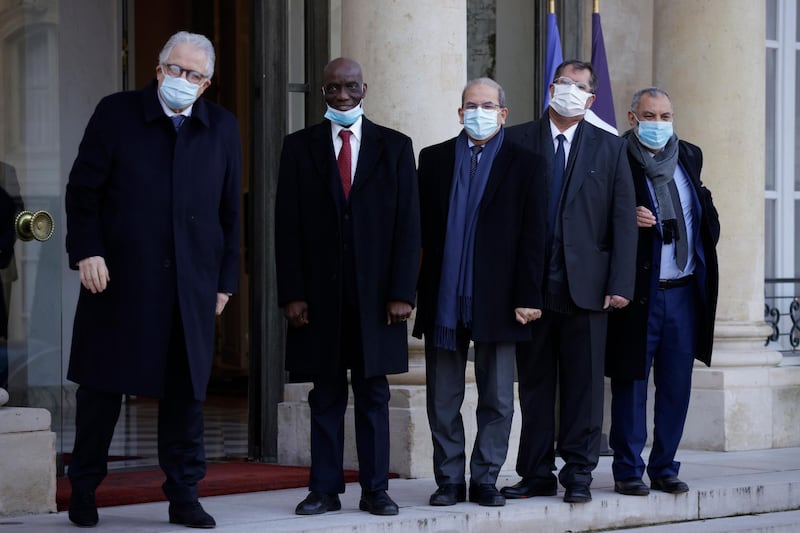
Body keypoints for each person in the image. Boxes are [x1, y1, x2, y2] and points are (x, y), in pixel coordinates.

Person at [65, 31, 241, 528]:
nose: (183, 80)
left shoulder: (222, 128)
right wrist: (87, 251)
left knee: (185, 396)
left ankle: (184, 495)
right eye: (175, 69)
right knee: (100, 392)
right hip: (119, 282)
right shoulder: (116, 113)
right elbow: (83, 192)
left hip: (192, 287)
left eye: (195, 75)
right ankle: (83, 489)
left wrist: (225, 281)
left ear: (206, 85)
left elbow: (230, 214)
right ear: (159, 68)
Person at [275, 58, 420, 517]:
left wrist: (403, 292)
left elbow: (408, 227)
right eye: (333, 87)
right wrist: (292, 293)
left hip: (379, 299)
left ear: (364, 88)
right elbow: (287, 227)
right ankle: (324, 489)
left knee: (374, 393)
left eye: (350, 86)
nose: (342, 95)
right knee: (326, 394)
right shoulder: (298, 148)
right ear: (322, 91)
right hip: (319, 298)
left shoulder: (395, 146)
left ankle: (376, 489)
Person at [501, 60, 637, 503]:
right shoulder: (518, 138)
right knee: (536, 385)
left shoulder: (610, 147)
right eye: (564, 82)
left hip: (589, 289)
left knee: (583, 385)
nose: (571, 90)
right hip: (533, 288)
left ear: (592, 99)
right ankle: (535, 471)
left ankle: (578, 472)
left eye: (580, 86)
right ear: (550, 87)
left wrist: (620, 283)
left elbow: (622, 219)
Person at [413, 78, 546, 508]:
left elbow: (534, 237)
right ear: (459, 112)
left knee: (498, 397)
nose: (479, 112)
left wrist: (530, 295)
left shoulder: (526, 163)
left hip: (500, 298)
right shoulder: (431, 160)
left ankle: (485, 478)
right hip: (443, 298)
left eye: (488, 105)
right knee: (442, 397)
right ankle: (450, 480)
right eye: (471, 105)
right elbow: (417, 233)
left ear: (503, 114)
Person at [606, 87, 720, 496]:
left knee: (676, 384)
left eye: (666, 116)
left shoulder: (689, 154)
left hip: (684, 293)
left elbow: (703, 214)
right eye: (650, 116)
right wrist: (625, 217)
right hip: (640, 291)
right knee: (631, 381)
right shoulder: (615, 155)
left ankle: (665, 466)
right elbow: (596, 219)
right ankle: (628, 470)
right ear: (633, 118)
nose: (659, 124)